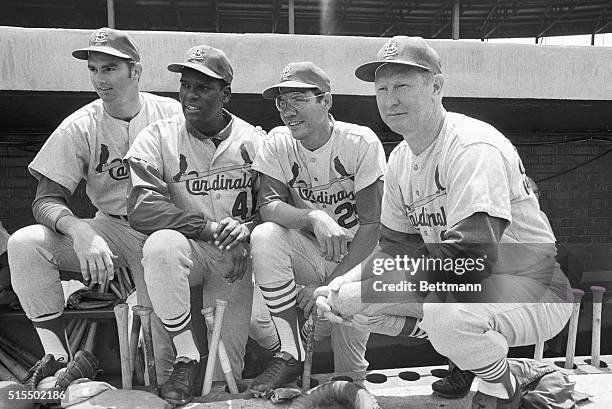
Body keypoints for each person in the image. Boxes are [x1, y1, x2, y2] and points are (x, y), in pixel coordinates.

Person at [315, 36, 573, 409]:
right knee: (357, 303)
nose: (390, 99)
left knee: (442, 311)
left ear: (436, 87)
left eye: (402, 85)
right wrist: (348, 281)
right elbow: (395, 246)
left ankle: (504, 384)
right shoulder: (402, 157)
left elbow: (471, 256)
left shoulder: (472, 147)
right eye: (382, 89)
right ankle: (478, 359)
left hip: (534, 284)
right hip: (471, 286)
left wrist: (372, 288)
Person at [7, 27, 181, 389]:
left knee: (162, 361)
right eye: (94, 69)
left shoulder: (171, 114)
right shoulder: (79, 125)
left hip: (165, 231)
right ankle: (58, 356)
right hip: (113, 227)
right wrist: (80, 230)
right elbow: (45, 199)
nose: (100, 79)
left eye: (110, 69)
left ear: (136, 71)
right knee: (26, 243)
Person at [124, 44, 262, 405]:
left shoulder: (256, 140)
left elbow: (274, 204)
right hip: (190, 249)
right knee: (160, 246)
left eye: (203, 87)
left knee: (225, 375)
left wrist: (246, 231)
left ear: (225, 94)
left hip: (235, 258)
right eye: (186, 85)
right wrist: (212, 229)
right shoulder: (156, 135)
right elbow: (141, 208)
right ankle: (186, 355)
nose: (190, 94)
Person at [248, 62, 387, 394]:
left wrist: (329, 286)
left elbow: (373, 226)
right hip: (311, 250)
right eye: (282, 101)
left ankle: (350, 383)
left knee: (349, 369)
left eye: (298, 99)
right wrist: (313, 217)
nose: (288, 110)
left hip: (360, 259)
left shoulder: (358, 141)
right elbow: (268, 206)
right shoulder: (278, 141)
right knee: (265, 238)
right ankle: (290, 352)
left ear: (325, 101)